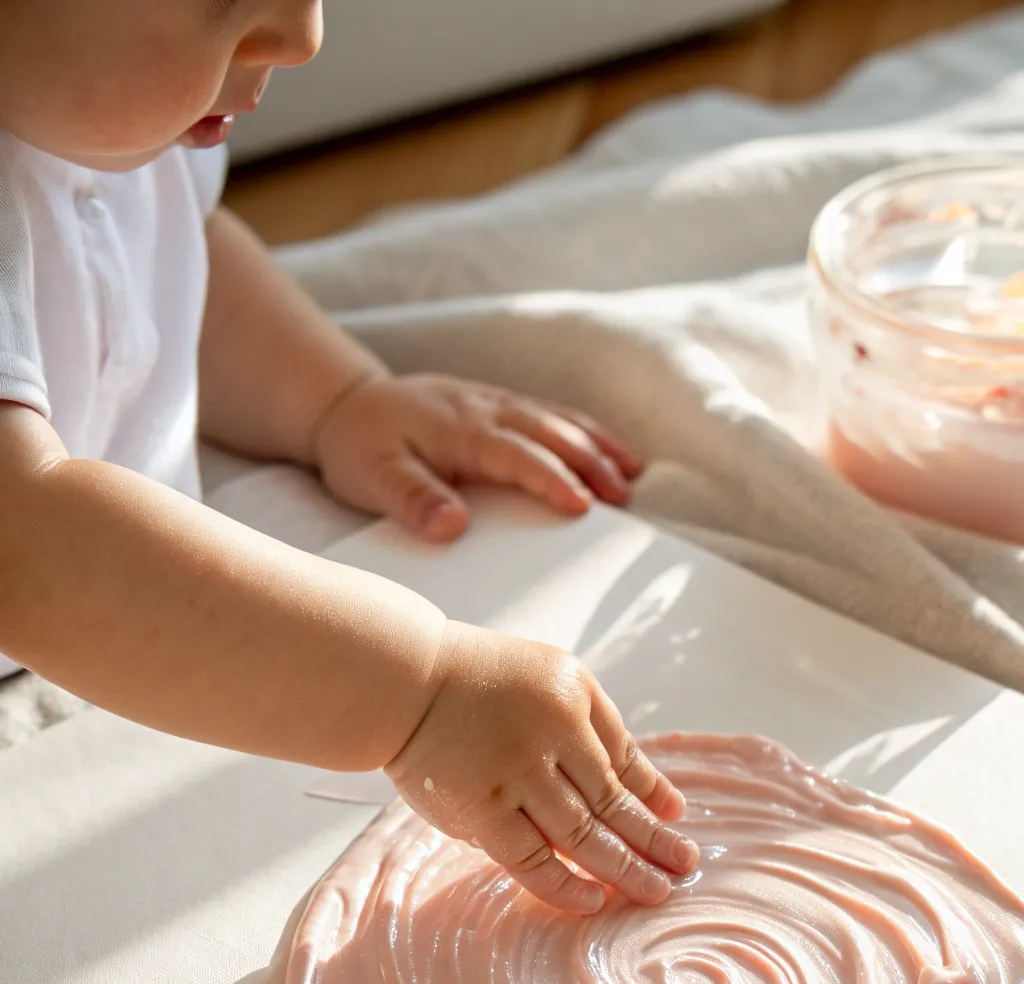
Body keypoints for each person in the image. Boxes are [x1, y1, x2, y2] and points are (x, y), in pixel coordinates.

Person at [0, 0, 699, 912]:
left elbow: (171, 253)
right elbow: (29, 548)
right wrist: (419, 694)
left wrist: (336, 401)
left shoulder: (84, 106)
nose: (300, 36)